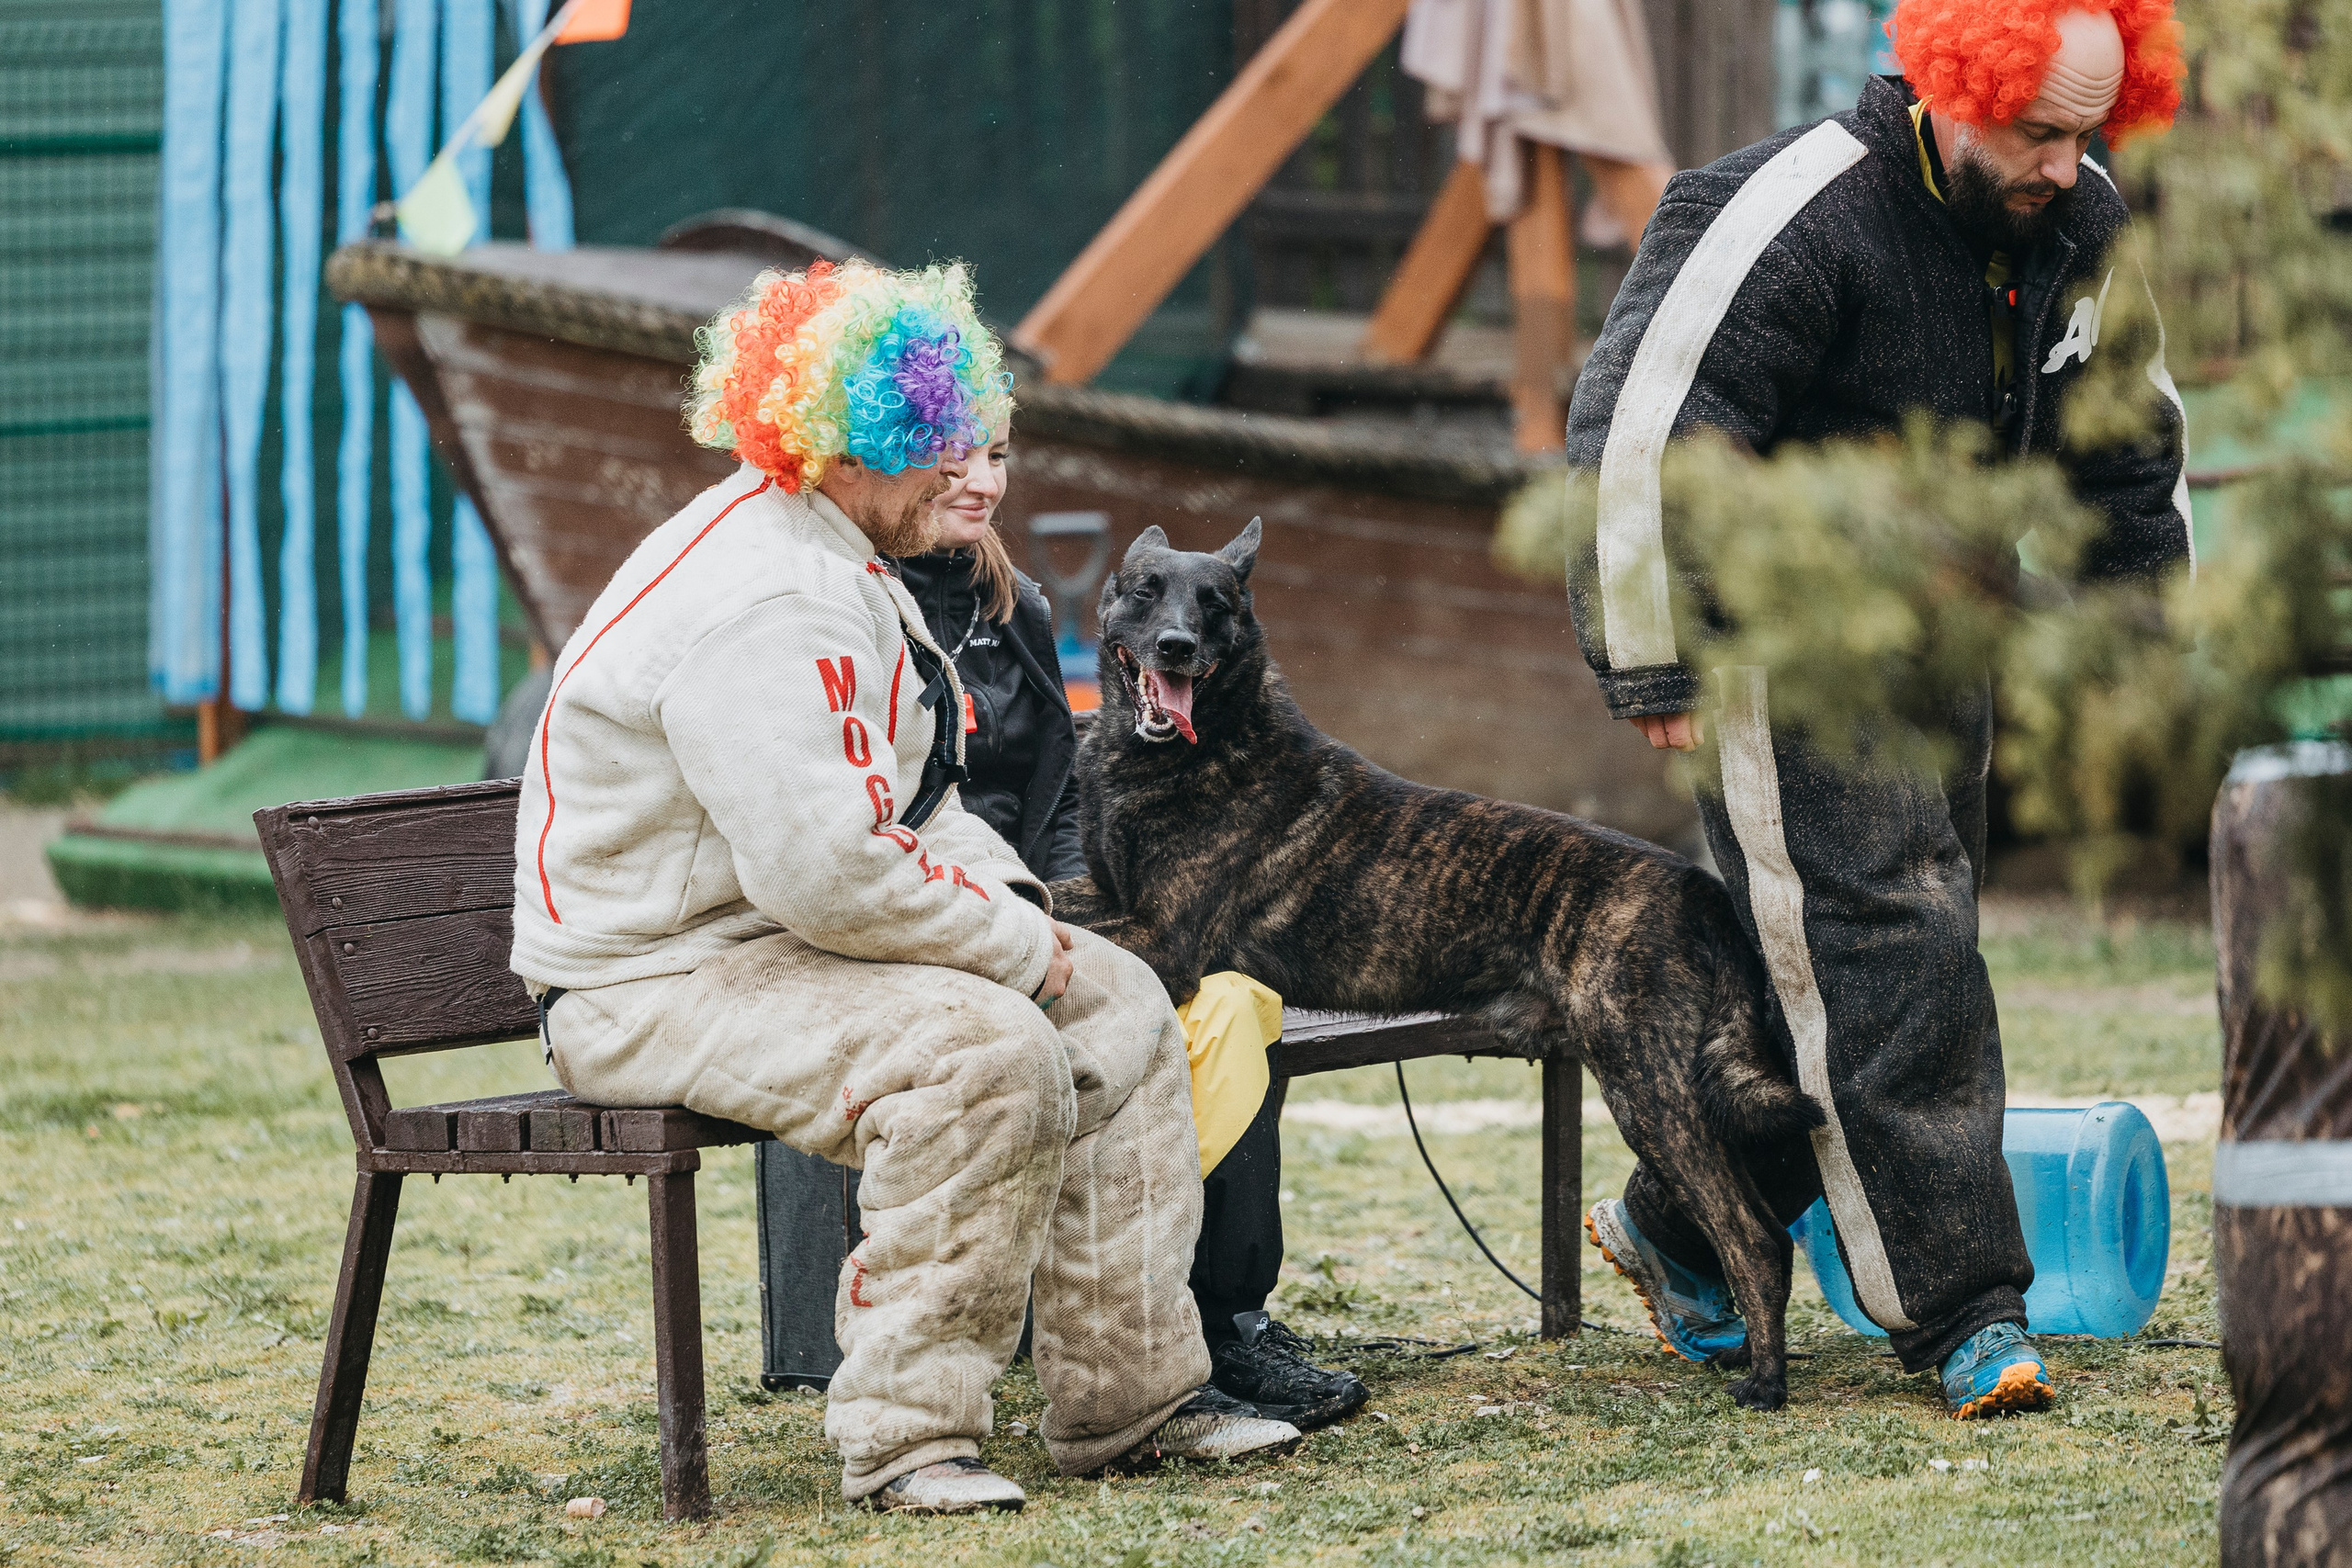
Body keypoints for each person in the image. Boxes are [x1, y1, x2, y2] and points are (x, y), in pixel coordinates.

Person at [511, 257, 1301, 1514]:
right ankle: (909, 1436)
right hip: (653, 975)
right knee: (983, 1051)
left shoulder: (834, 558)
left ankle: (1133, 1398)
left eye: (976, 443)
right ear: (844, 441)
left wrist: (1037, 930)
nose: (966, 476)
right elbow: (829, 871)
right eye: (935, 447)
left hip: (766, 941)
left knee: (1124, 1002)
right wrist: (1009, 952)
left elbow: (913, 809)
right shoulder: (771, 597)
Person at [1562, 0, 2188, 1418]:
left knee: (1846, 975)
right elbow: (1646, 420)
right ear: (1954, 87)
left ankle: (1680, 1220)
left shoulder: (2078, 215)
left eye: (2089, 130)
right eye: (2036, 129)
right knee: (1894, 947)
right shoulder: (1785, 211)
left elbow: (2127, 440)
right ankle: (1967, 1312)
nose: (2064, 162)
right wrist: (1653, 652)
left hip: (1939, 646)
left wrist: (2152, 640)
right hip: (1776, 652)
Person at [882, 432, 1370, 1429]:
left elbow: (1064, 790)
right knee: (1138, 1012)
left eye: (996, 456)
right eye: (951, 457)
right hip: (928, 920)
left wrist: (1078, 914)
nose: (979, 480)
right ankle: (1129, 1314)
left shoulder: (1011, 604)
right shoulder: (847, 602)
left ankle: (1226, 1316)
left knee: (1235, 997)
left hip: (1044, 908)